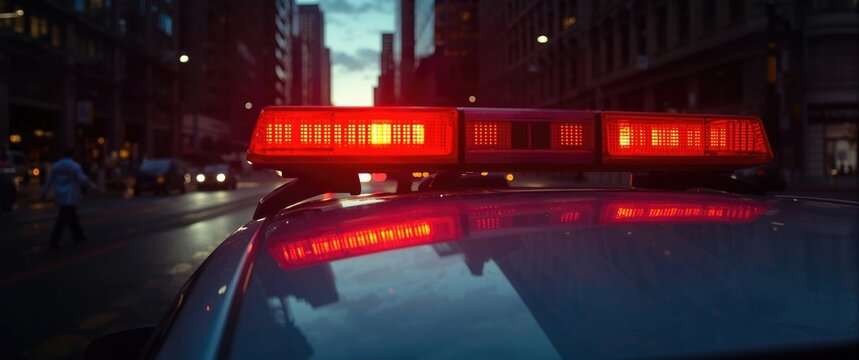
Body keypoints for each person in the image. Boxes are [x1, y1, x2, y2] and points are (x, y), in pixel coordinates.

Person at [41, 149, 98, 248]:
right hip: (70, 194)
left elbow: (49, 180)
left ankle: (78, 235)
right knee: (63, 218)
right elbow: (82, 179)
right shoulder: (74, 166)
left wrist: (44, 192)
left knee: (71, 216)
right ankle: (55, 239)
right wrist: (93, 187)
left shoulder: (56, 166)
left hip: (60, 194)